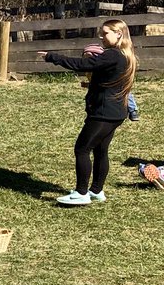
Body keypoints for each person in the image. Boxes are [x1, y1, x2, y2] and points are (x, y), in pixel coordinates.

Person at [39, 19, 138, 205]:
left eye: (105, 33)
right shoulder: (125, 55)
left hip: (103, 113)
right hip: (116, 112)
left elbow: (81, 64)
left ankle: (81, 193)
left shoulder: (113, 55)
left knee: (82, 149)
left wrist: (52, 57)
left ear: (119, 34)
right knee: (101, 150)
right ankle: (96, 191)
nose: (101, 36)